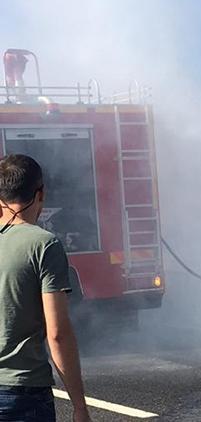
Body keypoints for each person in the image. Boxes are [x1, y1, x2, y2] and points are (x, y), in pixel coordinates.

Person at [0, 154, 90, 422]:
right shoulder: (44, 245)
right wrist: (79, 407)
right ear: (41, 194)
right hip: (23, 395)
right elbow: (58, 333)